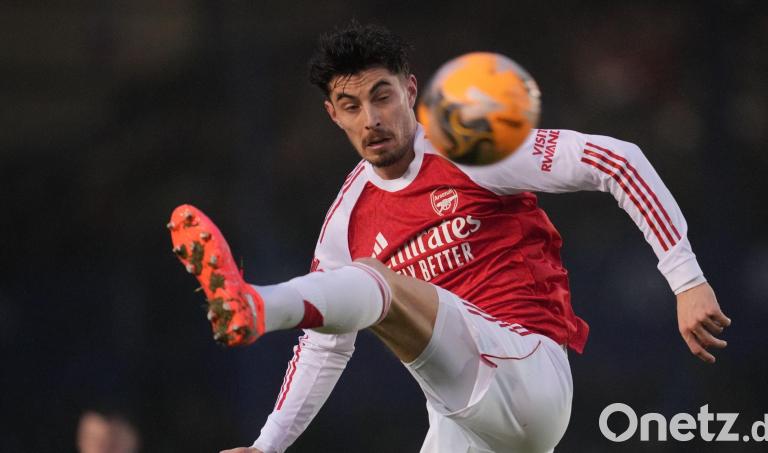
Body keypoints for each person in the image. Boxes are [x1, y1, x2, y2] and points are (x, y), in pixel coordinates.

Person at [168, 22, 731, 453]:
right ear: (332, 115)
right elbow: (324, 344)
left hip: (528, 372)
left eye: (382, 95)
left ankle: (256, 304)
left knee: (372, 284)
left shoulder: (470, 146)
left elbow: (617, 159)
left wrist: (687, 280)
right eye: (351, 106)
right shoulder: (346, 219)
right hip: (463, 424)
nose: (371, 119)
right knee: (361, 288)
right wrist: (269, 445)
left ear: (410, 90)